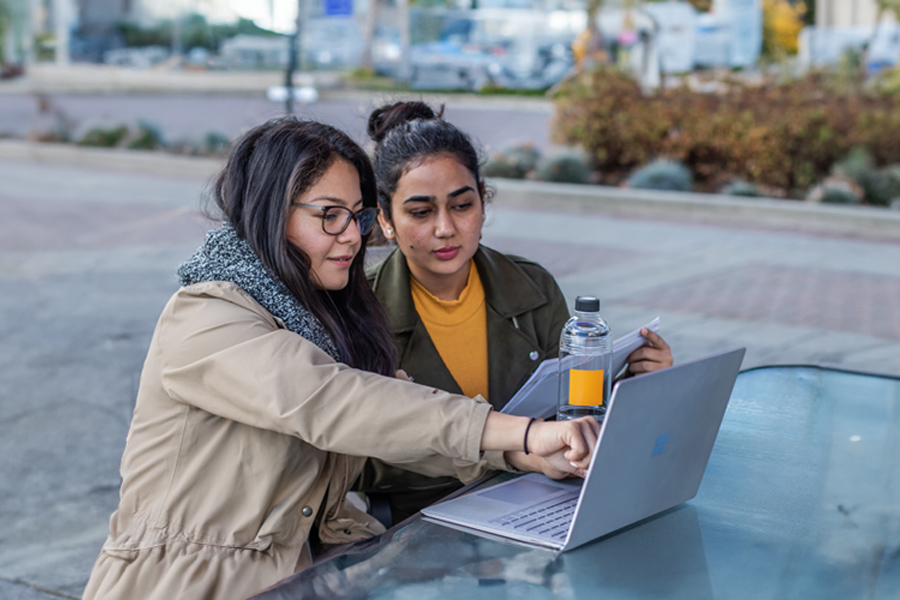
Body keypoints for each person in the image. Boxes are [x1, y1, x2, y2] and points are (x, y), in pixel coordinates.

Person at [82, 117, 600, 600]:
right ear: (269, 212)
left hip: (302, 575)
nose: (354, 236)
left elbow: (400, 426)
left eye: (356, 216)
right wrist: (525, 434)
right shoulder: (206, 316)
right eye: (329, 216)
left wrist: (523, 456)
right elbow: (338, 401)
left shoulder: (323, 314)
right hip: (183, 584)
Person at [358, 101, 673, 524]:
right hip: (423, 525)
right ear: (386, 219)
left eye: (462, 205)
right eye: (420, 212)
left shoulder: (532, 287)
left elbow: (572, 413)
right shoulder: (362, 310)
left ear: (483, 203)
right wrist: (514, 452)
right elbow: (360, 462)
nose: (445, 228)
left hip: (543, 504)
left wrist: (633, 387)